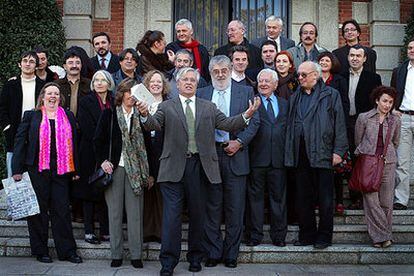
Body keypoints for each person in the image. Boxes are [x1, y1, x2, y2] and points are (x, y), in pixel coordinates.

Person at [136, 67, 260, 276]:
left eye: (193, 80)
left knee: (197, 216)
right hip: (173, 168)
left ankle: (195, 258)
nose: (189, 83)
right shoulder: (167, 106)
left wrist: (247, 114)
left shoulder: (208, 107)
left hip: (200, 169)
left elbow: (229, 124)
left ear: (197, 83)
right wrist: (144, 114)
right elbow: (152, 125)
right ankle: (168, 263)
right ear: (177, 83)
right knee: (172, 218)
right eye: (185, 79)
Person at [198, 55, 260, 268]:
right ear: (210, 72)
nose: (220, 74)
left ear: (231, 68)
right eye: (215, 71)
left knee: (235, 208)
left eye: (224, 70)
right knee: (212, 207)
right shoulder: (202, 93)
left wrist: (240, 142)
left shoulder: (246, 92)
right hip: (211, 157)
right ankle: (214, 252)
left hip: (236, 155)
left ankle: (231, 253)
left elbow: (255, 122)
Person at [11, 82, 82, 264]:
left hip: (61, 170)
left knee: (62, 211)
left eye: (56, 94)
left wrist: (75, 169)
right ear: (42, 96)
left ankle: (67, 251)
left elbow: (75, 143)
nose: (53, 96)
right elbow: (20, 143)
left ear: (60, 98)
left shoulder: (68, 116)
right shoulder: (32, 116)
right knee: (38, 212)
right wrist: (17, 170)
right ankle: (40, 251)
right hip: (36, 169)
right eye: (49, 93)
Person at [284, 61, 348, 249]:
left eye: (304, 75)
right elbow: (290, 126)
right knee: (303, 198)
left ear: (316, 75)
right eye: (299, 75)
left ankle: (324, 237)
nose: (300, 78)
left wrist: (339, 151)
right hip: (301, 154)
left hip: (323, 152)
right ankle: (307, 235)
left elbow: (340, 124)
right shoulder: (296, 96)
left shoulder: (331, 95)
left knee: (326, 199)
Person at [94, 78, 149, 268]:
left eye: (135, 93)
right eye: (129, 92)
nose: (132, 96)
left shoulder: (142, 115)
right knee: (115, 214)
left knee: (135, 215)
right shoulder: (109, 114)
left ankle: (136, 256)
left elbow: (149, 146)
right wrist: (103, 161)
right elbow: (98, 140)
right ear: (122, 94)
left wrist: (150, 173)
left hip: (136, 172)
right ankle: (116, 255)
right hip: (115, 169)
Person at [354, 86, 401, 248]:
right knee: (371, 201)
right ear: (377, 100)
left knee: (386, 202)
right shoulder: (364, 118)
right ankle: (384, 235)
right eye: (385, 101)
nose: (387, 105)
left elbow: (396, 141)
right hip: (368, 164)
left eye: (390, 102)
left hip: (388, 162)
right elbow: (358, 140)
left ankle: (380, 238)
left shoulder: (395, 120)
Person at [247, 69, 288, 247]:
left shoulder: (285, 104)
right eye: (260, 81)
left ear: (275, 84)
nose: (263, 84)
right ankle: (255, 235)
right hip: (257, 159)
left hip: (279, 160)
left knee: (278, 199)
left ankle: (279, 236)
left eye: (267, 81)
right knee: (255, 200)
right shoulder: (251, 103)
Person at [74, 70, 113, 244]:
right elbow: (87, 128)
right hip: (89, 152)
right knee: (89, 191)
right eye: (96, 80)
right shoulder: (86, 101)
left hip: (110, 152)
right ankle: (89, 231)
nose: (98, 83)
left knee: (107, 191)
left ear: (109, 83)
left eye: (102, 80)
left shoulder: (114, 101)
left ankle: (105, 230)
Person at [341, 45, 382, 210]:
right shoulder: (341, 77)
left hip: (365, 124)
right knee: (350, 159)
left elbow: (376, 103)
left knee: (364, 160)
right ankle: (354, 197)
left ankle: (366, 197)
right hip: (346, 122)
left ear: (364, 58)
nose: (354, 58)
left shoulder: (373, 78)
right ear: (348, 57)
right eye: (352, 55)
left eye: (358, 56)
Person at [0, 50, 45, 177]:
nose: (27, 64)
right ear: (19, 64)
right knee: (14, 173)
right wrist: (6, 127)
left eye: (31, 61)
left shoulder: (43, 86)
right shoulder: (10, 84)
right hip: (14, 132)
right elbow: (2, 107)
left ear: (36, 65)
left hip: (37, 132)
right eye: (25, 61)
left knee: (36, 173)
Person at [317, 52, 349, 215]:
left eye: (326, 60)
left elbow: (344, 102)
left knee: (337, 169)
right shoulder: (313, 80)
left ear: (332, 63)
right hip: (318, 130)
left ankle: (339, 202)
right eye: (321, 60)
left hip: (335, 126)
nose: (323, 62)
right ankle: (319, 201)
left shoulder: (339, 80)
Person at [141, 70, 170, 242]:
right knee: (146, 192)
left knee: (161, 194)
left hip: (163, 151)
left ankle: (160, 231)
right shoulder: (141, 104)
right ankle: (146, 231)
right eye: (152, 81)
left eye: (159, 82)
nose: (156, 84)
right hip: (145, 150)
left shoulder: (169, 103)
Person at [391, 38, 414, 210]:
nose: (412, 50)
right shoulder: (399, 71)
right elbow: (392, 92)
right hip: (404, 117)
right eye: (410, 48)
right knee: (402, 161)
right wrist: (393, 109)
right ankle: (401, 199)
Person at [55, 49, 91, 116]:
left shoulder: (90, 84)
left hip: (83, 124)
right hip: (63, 124)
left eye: (77, 63)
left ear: (81, 65)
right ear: (65, 66)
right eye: (70, 63)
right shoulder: (57, 85)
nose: (74, 66)